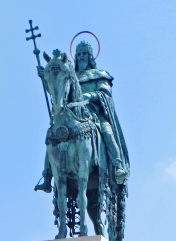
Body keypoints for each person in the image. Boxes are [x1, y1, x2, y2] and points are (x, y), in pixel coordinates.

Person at [36, 40, 129, 192]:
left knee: (107, 131)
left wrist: (87, 97)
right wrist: (45, 78)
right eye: (78, 54)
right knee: (53, 134)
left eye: (84, 53)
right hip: (72, 114)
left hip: (94, 113)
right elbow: (58, 90)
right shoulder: (70, 75)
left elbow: (104, 94)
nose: (81, 57)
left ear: (91, 56)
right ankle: (47, 177)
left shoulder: (100, 75)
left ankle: (118, 167)